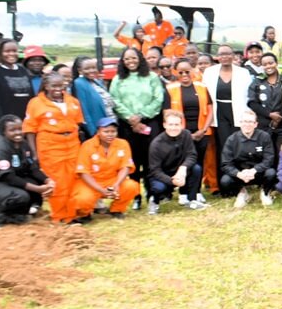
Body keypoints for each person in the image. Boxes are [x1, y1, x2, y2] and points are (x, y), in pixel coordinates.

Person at [23, 73, 84, 223]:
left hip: (72, 142)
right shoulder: (36, 103)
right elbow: (30, 129)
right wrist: (34, 152)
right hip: (50, 144)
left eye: (61, 85)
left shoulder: (73, 101)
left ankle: (73, 213)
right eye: (54, 86)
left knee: (73, 178)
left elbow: (79, 123)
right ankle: (59, 215)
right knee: (56, 180)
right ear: (46, 86)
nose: (58, 89)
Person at [0, 116, 51, 228]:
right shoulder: (0, 150)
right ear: (4, 132)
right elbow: (8, 177)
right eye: (12, 130)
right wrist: (37, 189)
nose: (18, 133)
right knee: (20, 196)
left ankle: (15, 215)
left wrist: (48, 180)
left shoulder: (24, 145)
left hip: (2, 185)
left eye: (20, 129)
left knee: (34, 184)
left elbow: (33, 168)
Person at [109, 47, 164, 201]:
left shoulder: (152, 77)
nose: (130, 61)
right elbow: (115, 100)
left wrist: (141, 116)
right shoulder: (118, 79)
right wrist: (130, 117)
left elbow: (158, 99)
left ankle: (152, 194)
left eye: (133, 58)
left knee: (150, 159)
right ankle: (135, 196)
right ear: (122, 61)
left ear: (140, 58)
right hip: (127, 125)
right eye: (126, 59)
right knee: (131, 160)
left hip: (149, 123)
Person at [163, 59, 212, 207]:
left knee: (200, 162)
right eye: (181, 72)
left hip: (202, 132)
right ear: (175, 72)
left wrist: (202, 130)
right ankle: (183, 193)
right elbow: (167, 113)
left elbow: (210, 110)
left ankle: (196, 192)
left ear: (193, 71)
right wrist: (183, 133)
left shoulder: (202, 87)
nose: (184, 74)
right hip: (181, 134)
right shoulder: (170, 89)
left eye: (187, 71)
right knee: (184, 162)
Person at [70, 117, 140, 221]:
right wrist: (100, 190)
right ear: (98, 131)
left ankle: (116, 210)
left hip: (112, 180)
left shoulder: (123, 144)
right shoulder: (87, 146)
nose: (110, 134)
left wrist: (117, 184)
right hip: (91, 182)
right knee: (82, 199)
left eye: (113, 131)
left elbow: (126, 166)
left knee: (132, 187)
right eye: (106, 131)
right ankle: (85, 214)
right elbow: (83, 172)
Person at [203, 44, 253, 167]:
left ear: (233, 56)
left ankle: (238, 178)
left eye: (228, 54)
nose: (225, 57)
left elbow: (248, 95)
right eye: (221, 54)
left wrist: (249, 115)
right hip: (218, 112)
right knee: (223, 144)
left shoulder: (243, 73)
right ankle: (223, 179)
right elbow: (205, 95)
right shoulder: (209, 72)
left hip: (238, 112)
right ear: (217, 57)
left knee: (238, 144)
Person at [147, 110, 204, 214]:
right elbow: (155, 170)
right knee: (158, 187)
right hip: (163, 175)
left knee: (196, 169)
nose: (174, 128)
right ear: (164, 125)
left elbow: (192, 155)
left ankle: (192, 200)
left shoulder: (186, 135)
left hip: (180, 171)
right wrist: (172, 180)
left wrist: (183, 168)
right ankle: (154, 202)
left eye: (177, 124)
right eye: (170, 124)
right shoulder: (156, 144)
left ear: (181, 124)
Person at [220, 111, 277, 208]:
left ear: (256, 124)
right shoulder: (231, 139)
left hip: (258, 173)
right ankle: (242, 193)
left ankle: (265, 192)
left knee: (271, 173)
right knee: (225, 181)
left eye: (251, 122)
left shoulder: (264, 137)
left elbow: (269, 159)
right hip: (240, 175)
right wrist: (238, 174)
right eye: (245, 121)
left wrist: (254, 170)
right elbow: (226, 164)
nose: (247, 124)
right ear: (240, 123)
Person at [0, 38, 35, 134]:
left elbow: (31, 97)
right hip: (8, 125)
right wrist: (1, 124)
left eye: (14, 51)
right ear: (0, 53)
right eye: (7, 51)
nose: (11, 54)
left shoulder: (23, 70)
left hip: (26, 123)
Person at [247, 52, 282, 143]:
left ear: (276, 63)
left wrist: (279, 117)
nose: (268, 66)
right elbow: (252, 102)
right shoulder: (257, 81)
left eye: (271, 63)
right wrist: (270, 114)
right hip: (263, 124)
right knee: (266, 152)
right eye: (265, 64)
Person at [71, 57, 117, 136]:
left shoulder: (96, 81)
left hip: (111, 124)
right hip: (99, 129)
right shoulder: (79, 83)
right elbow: (84, 109)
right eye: (87, 68)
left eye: (93, 68)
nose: (91, 71)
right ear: (80, 70)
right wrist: (93, 131)